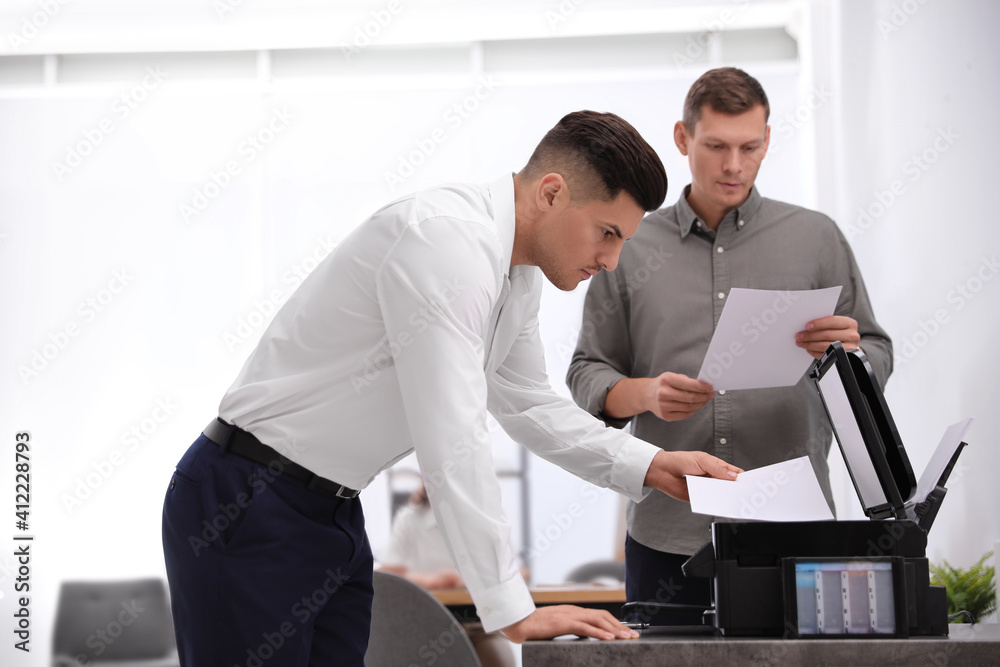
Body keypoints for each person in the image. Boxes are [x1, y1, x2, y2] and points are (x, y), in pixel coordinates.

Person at [161, 109, 743, 665]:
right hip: (247, 498)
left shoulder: (517, 277)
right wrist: (512, 610)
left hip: (330, 511)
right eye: (607, 233)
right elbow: (452, 435)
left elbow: (530, 405)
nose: (613, 261)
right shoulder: (443, 243)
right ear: (552, 193)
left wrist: (652, 464)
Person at [566, 69, 893, 620]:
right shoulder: (630, 243)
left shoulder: (816, 239)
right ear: (682, 138)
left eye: (750, 146)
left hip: (797, 527)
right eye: (716, 146)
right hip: (668, 534)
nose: (734, 165)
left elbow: (876, 355)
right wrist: (643, 394)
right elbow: (586, 373)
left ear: (767, 140)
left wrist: (850, 357)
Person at [378, 483, 519, 667]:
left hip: (481, 625)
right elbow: (388, 576)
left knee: (500, 660)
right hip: (424, 625)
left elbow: (512, 568)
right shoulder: (410, 519)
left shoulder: (489, 515)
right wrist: (430, 581)